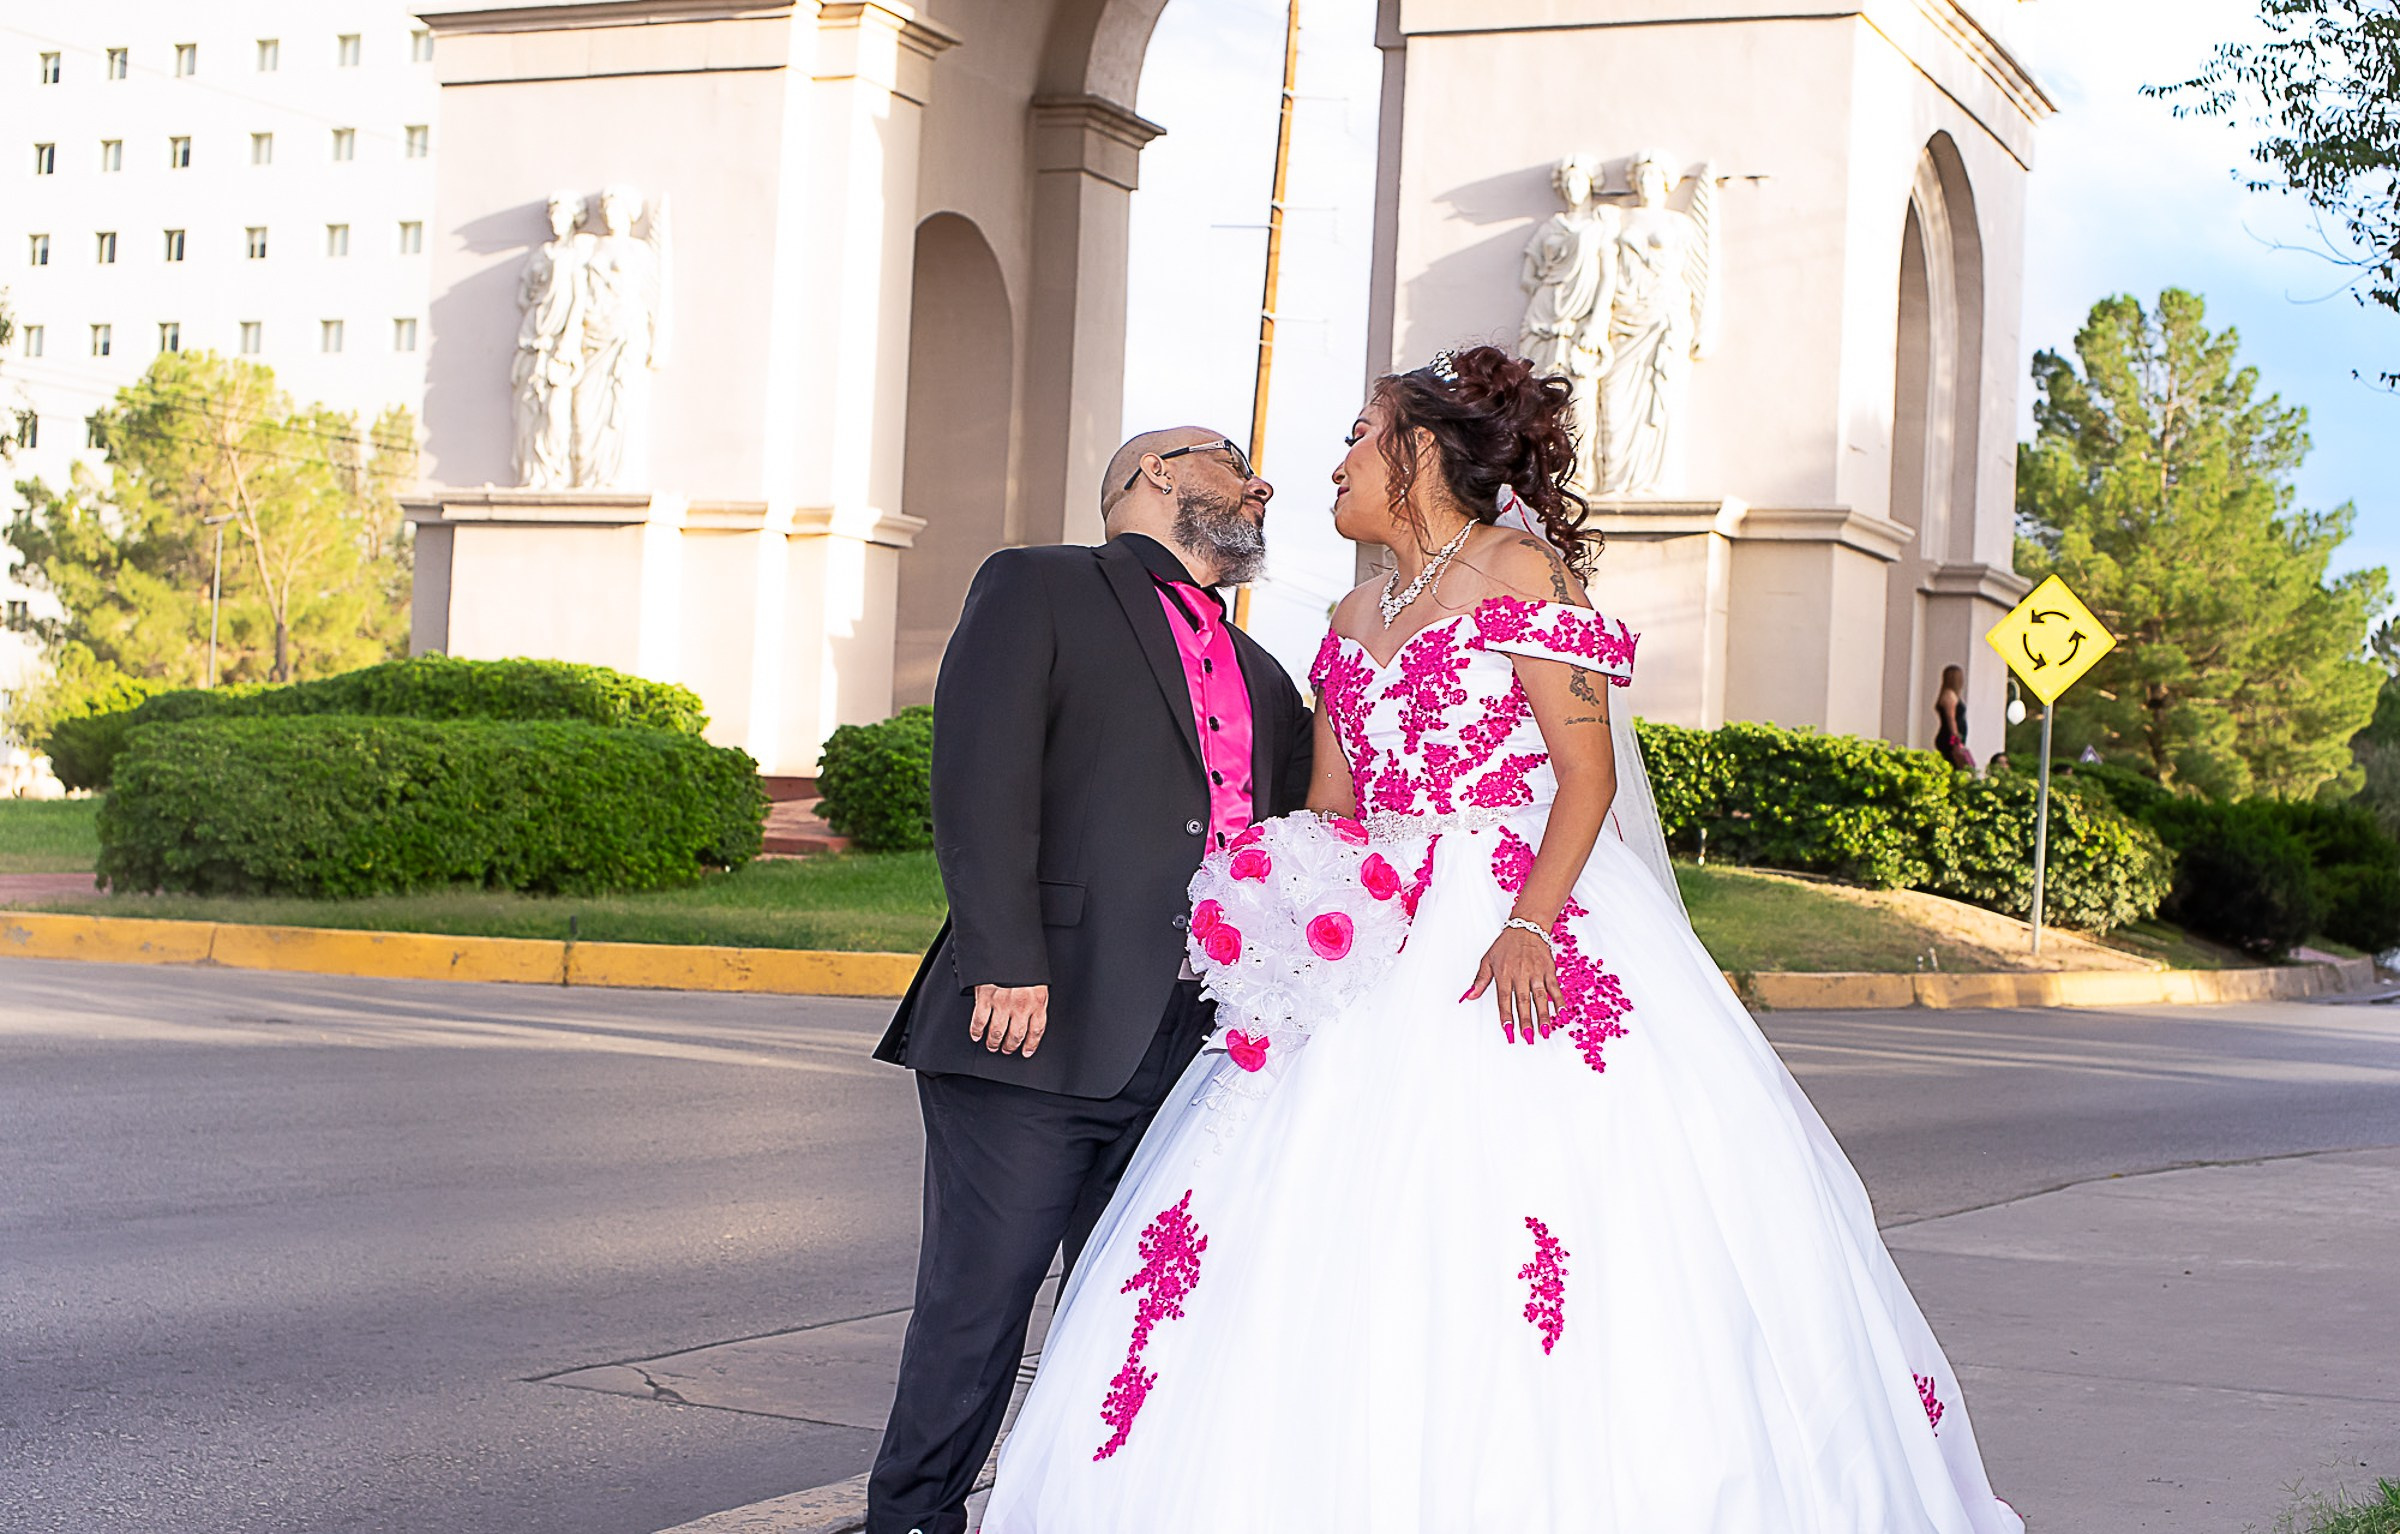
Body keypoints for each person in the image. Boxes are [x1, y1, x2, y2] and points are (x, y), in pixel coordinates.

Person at [980, 348, 2022, 1532]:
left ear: (1420, 454)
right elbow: (1335, 804)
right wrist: (1283, 903)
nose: (1337, 461)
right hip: (1376, 924)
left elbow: (1584, 776)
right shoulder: (1349, 611)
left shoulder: (1523, 570)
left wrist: (1528, 920)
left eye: (1361, 435)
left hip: (1517, 906)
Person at [864, 428, 1317, 1534]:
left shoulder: (1264, 672)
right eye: (1230, 458)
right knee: (979, 1308)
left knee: (1129, 1313)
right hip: (1030, 1021)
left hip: (1190, 1047)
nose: (1259, 481)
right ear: (1154, 475)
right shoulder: (1039, 584)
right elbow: (979, 774)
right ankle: (914, 1520)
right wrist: (1005, 959)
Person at [1934, 663, 1976, 770]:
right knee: (1956, 764)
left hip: (1952, 738)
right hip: (1950, 738)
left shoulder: (1951, 695)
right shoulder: (1949, 696)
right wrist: (1956, 740)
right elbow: (1951, 718)